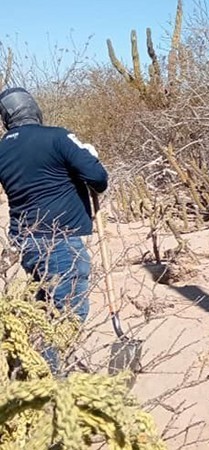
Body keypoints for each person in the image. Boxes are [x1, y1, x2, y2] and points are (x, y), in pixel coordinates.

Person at [0, 87, 109, 371]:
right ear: (33, 108)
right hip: (59, 241)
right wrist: (89, 156)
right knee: (69, 313)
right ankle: (51, 379)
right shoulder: (57, 137)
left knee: (46, 307)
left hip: (26, 243)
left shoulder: (1, 150)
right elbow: (97, 179)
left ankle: (33, 365)